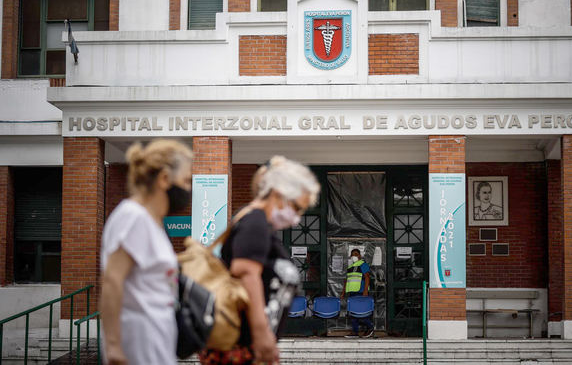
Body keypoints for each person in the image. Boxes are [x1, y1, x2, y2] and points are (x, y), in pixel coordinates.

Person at [199, 156, 320, 365]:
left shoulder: (257, 223)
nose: (297, 217)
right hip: (242, 345)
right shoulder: (255, 222)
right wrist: (262, 335)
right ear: (278, 194)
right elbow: (246, 274)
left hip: (247, 344)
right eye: (297, 207)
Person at [100, 140, 193, 365]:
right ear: (164, 179)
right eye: (186, 181)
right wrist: (113, 347)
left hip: (157, 342)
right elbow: (112, 281)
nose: (189, 189)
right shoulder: (133, 217)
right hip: (138, 343)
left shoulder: (154, 223)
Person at [340, 248, 374, 338]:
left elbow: (367, 277)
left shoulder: (363, 264)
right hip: (352, 293)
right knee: (352, 313)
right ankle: (355, 332)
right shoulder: (350, 267)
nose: (354, 256)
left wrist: (365, 291)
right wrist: (343, 292)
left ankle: (370, 327)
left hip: (361, 292)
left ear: (360, 255)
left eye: (356, 254)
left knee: (361, 312)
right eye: (352, 254)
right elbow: (346, 280)